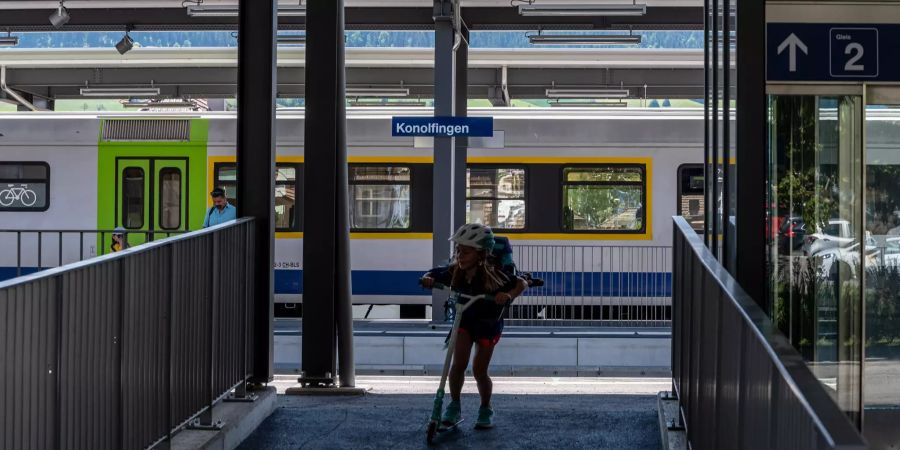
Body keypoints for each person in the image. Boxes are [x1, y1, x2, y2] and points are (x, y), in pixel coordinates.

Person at [420, 223, 528, 430]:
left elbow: (521, 283)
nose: (460, 255)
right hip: (465, 320)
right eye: (458, 250)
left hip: (489, 323)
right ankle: (454, 405)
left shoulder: (497, 274)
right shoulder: (455, 271)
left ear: (480, 254)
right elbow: (434, 273)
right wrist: (427, 279)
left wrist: (507, 295)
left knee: (479, 371)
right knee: (458, 364)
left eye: (466, 252)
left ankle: (485, 407)